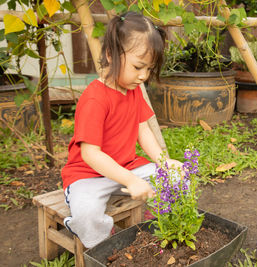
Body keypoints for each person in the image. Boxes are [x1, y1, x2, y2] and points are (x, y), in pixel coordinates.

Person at [61, 11, 182, 249]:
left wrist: (163, 162)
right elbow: (90, 154)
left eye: (149, 69)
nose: (144, 76)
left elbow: (143, 131)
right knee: (86, 214)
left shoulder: (133, 89)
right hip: (88, 176)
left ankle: (154, 225)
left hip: (128, 167)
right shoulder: (94, 98)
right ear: (110, 54)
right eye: (138, 66)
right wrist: (130, 180)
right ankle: (102, 244)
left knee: (178, 178)